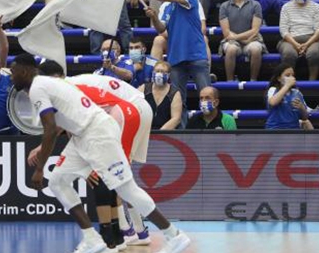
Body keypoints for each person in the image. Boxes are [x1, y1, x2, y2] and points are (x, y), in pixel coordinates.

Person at [11, 54, 190, 253]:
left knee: (125, 188)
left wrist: (39, 168)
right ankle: (92, 239)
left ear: (25, 71)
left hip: (99, 132)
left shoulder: (38, 87)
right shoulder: (46, 84)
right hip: (82, 136)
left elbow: (51, 129)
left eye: (13, 72)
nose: (11, 76)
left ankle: (173, 235)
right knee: (58, 181)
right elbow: (59, 124)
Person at [63, 71, 155, 250]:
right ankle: (136, 231)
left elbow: (76, 129)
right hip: (139, 109)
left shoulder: (66, 92)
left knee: (113, 175)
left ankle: (120, 234)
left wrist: (87, 164)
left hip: (128, 111)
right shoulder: (72, 84)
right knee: (120, 175)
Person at [131, 0, 211, 99]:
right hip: (176, 57)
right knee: (178, 101)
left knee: (207, 94)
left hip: (195, 54)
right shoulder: (166, 6)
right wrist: (154, 17)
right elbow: (161, 29)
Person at [219, 0, 265, 81]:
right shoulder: (224, 6)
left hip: (252, 39)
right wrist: (242, 40)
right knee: (230, 49)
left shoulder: (255, 5)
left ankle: (253, 81)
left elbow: (255, 30)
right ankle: (230, 81)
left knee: (255, 49)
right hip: (233, 41)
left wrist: (237, 38)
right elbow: (226, 32)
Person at [278, 0, 319, 80]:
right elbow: (284, 30)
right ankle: (289, 80)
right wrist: (296, 45)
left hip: (311, 39)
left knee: (314, 53)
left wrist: (307, 44)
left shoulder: (316, 7)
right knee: (288, 53)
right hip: (290, 39)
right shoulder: (286, 7)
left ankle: (312, 80)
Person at [265, 64, 313, 130]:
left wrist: (301, 107)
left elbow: (305, 117)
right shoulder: (273, 90)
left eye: (292, 75)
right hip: (275, 128)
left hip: (293, 129)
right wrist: (287, 86)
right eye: (287, 75)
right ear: (279, 78)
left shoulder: (297, 92)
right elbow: (273, 102)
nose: (291, 77)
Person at [140, 60, 184, 130]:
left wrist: (160, 133)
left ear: (168, 75)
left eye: (163, 72)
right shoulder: (143, 88)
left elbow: (176, 118)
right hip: (144, 130)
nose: (159, 74)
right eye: (157, 71)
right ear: (153, 73)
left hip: (165, 133)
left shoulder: (174, 93)